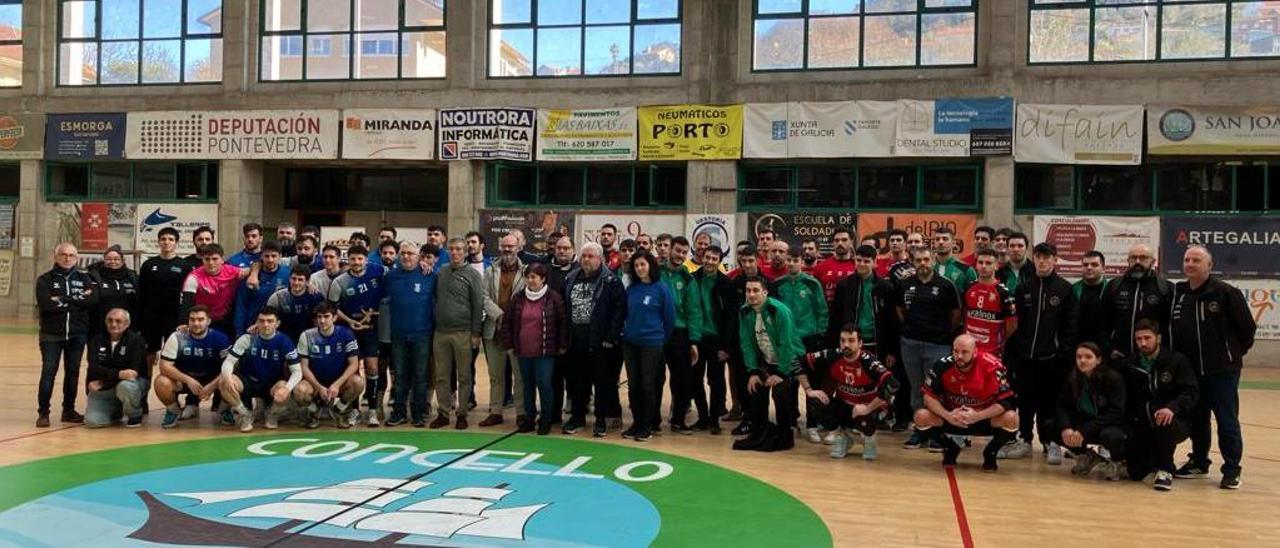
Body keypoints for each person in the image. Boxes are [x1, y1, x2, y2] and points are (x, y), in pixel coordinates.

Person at [1170, 246, 1255, 490]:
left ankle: (1231, 469)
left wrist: (1230, 356)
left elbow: (1246, 330)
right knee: (1198, 419)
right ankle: (1199, 462)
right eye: (1187, 259)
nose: (1190, 264)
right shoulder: (1179, 293)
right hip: (1191, 373)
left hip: (1222, 373)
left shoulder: (1226, 293)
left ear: (1209, 265)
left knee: (1227, 421)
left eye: (1197, 260)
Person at [1001, 243, 1077, 461]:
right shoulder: (1023, 289)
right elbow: (1017, 326)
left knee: (1049, 403)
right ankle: (1024, 440)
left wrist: (1062, 355)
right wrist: (1015, 355)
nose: (1042, 261)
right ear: (1033, 259)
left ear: (1055, 260)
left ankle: (1050, 442)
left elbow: (1070, 327)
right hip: (1025, 358)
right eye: (1038, 257)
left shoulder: (1065, 289)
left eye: (1047, 257)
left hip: (1051, 359)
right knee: (1025, 401)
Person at [914, 335, 1019, 471]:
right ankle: (950, 448)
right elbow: (928, 397)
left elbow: (1007, 402)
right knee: (921, 416)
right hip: (954, 417)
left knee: (1011, 418)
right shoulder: (942, 365)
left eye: (964, 352)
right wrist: (947, 415)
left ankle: (990, 452)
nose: (959, 356)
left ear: (975, 352)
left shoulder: (992, 366)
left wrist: (977, 416)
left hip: (983, 418)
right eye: (955, 351)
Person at [797, 326, 898, 460]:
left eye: (851, 341)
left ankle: (869, 441)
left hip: (867, 409)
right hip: (845, 406)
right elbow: (797, 362)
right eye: (843, 340)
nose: (846, 345)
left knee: (866, 419)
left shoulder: (868, 361)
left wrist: (867, 408)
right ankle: (842, 437)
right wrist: (808, 390)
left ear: (860, 343)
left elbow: (893, 384)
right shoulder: (834, 355)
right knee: (815, 402)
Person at [829, 245, 902, 430]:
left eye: (866, 261)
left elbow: (892, 322)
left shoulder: (885, 287)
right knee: (853, 382)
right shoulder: (844, 285)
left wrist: (892, 350)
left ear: (875, 262)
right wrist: (835, 344)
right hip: (850, 345)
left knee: (877, 382)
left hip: (878, 342)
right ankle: (850, 417)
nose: (862, 264)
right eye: (859, 260)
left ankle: (880, 414)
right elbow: (836, 316)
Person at [895, 248, 961, 449]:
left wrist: (941, 332)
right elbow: (899, 310)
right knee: (917, 389)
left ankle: (937, 431)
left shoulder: (946, 285)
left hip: (938, 345)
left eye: (926, 259)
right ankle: (920, 429)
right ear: (913, 262)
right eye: (918, 260)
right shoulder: (905, 284)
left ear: (932, 261)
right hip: (911, 344)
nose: (922, 263)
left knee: (936, 390)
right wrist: (910, 328)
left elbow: (956, 314)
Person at [1122, 320, 1197, 490]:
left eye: (1147, 338)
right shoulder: (1130, 364)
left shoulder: (1177, 361)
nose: (1143, 343)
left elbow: (1190, 392)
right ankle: (1145, 462)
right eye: (1139, 339)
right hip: (1143, 423)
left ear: (1159, 338)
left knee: (1163, 418)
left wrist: (1172, 407)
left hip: (1174, 422)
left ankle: (1165, 469)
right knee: (1136, 472)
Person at [733, 276, 805, 452]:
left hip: (789, 361)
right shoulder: (744, 311)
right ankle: (760, 431)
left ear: (765, 292)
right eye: (748, 290)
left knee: (781, 394)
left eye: (756, 290)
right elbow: (747, 344)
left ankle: (785, 436)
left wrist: (780, 373)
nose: (751, 294)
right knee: (755, 389)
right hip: (765, 360)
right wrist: (753, 371)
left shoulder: (779, 311)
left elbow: (787, 344)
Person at [499, 263, 567, 435]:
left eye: (534, 277)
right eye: (528, 277)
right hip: (523, 351)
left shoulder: (554, 298)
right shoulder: (518, 298)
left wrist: (562, 345)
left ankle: (546, 419)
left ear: (543, 279)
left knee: (544, 384)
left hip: (545, 352)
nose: (530, 280)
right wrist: (508, 345)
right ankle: (529, 418)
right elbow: (507, 323)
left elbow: (562, 323)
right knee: (526, 386)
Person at [36, 243, 98, 427]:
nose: (67, 258)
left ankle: (68, 410)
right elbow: (46, 304)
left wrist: (62, 299)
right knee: (48, 373)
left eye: (71, 255)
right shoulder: (44, 280)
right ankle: (43, 413)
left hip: (77, 335)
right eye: (63, 254)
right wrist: (79, 300)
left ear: (76, 258)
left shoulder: (85, 278)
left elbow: (93, 300)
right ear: (56, 257)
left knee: (72, 373)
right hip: (51, 335)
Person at [1047, 342, 1128, 481]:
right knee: (1050, 426)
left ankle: (1118, 462)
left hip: (1109, 425)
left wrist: (1084, 430)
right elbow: (1062, 406)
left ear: (1099, 360)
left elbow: (1115, 413)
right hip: (1086, 423)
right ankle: (1087, 456)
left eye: (1088, 357)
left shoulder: (1112, 378)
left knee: (1110, 436)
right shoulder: (1073, 378)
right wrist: (1066, 428)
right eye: (1079, 357)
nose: (1082, 360)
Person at [771, 247, 828, 442]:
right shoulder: (778, 285)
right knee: (790, 381)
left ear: (801, 261)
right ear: (786, 262)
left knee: (812, 382)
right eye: (790, 260)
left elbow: (821, 311)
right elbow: (774, 313)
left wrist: (820, 334)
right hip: (787, 339)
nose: (793, 263)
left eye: (796, 260)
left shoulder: (812, 284)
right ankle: (792, 421)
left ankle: (812, 424)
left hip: (810, 340)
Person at [219, 307, 302, 432]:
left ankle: (272, 413)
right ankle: (244, 414)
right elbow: (228, 362)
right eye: (261, 321)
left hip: (272, 385)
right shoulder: (247, 339)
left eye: (270, 321)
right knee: (224, 382)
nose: (265, 324)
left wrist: (287, 388)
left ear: (277, 323)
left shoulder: (284, 341)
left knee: (284, 388)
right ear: (256, 322)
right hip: (247, 382)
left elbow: (297, 371)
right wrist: (227, 377)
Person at [621, 251, 675, 442]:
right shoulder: (632, 289)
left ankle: (647, 425)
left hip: (651, 344)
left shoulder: (661, 289)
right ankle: (636, 423)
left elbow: (670, 319)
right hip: (630, 342)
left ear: (650, 265)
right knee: (634, 385)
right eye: (636, 266)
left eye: (643, 264)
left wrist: (659, 338)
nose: (640, 268)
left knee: (647, 384)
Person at [384, 242, 439, 427]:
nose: (407, 256)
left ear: (419, 257)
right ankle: (399, 412)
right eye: (403, 253)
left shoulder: (429, 276)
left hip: (422, 334)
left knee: (421, 376)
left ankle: (419, 413)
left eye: (411, 253)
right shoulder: (390, 276)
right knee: (400, 375)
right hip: (398, 334)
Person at [433, 238, 485, 430]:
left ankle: (462, 413)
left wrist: (475, 333)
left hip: (463, 333)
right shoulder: (442, 271)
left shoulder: (473, 275)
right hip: (440, 333)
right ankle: (443, 413)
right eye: (451, 249)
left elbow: (478, 305)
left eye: (458, 249)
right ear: (447, 251)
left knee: (464, 376)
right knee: (442, 376)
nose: (455, 252)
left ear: (465, 252)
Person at [327, 245, 383, 421]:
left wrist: (373, 314)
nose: (356, 262)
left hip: (371, 329)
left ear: (366, 260)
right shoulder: (340, 282)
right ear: (347, 260)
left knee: (372, 367)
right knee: (353, 371)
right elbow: (333, 308)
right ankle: (354, 409)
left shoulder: (377, 270)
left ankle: (373, 410)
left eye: (360, 259)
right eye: (353, 259)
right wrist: (351, 321)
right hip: (349, 331)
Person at [154, 306, 230, 428]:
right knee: (161, 382)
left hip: (212, 380)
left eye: (200, 319)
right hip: (185, 380)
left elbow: (230, 367)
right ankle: (173, 411)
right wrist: (187, 380)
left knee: (231, 380)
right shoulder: (177, 337)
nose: (196, 323)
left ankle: (225, 410)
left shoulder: (220, 338)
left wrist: (212, 386)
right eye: (192, 319)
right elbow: (164, 366)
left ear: (209, 321)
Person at [295, 303, 365, 429]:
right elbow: (303, 366)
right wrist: (319, 387)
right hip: (315, 383)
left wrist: (337, 384)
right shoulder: (306, 335)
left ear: (334, 318)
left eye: (326, 316)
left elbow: (354, 363)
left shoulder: (346, 334)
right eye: (319, 317)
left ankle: (338, 411)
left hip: (339, 382)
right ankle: (314, 412)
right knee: (300, 391)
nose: (322, 320)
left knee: (358, 382)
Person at [480, 234, 526, 428]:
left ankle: (522, 413)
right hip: (494, 329)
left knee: (520, 376)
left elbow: (529, 296)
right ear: (500, 247)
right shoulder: (490, 271)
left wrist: (511, 318)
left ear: (519, 247)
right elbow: (483, 297)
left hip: (518, 332)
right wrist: (499, 315)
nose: (508, 249)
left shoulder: (526, 271)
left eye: (511, 246)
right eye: (504, 246)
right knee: (495, 375)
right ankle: (496, 411)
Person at [660, 236, 704, 435]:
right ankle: (651, 420)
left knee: (683, 380)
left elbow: (694, 311)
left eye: (684, 253)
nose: (680, 255)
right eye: (677, 251)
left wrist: (694, 340)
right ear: (670, 250)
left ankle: (678, 420)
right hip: (657, 332)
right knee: (654, 378)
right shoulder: (656, 272)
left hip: (680, 334)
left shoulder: (688, 278)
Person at [1101, 243, 1172, 361]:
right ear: (1128, 261)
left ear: (1153, 261)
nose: (1138, 261)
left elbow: (1170, 327)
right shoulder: (1114, 286)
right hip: (1119, 357)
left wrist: (1163, 354)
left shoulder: (1166, 288)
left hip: (1153, 359)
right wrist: (1109, 349)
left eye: (1143, 258)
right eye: (1133, 258)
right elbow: (1102, 323)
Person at [692, 245, 735, 436]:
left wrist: (726, 346)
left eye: (714, 259)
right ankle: (702, 417)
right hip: (697, 338)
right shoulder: (692, 279)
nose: (709, 261)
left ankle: (714, 418)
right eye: (707, 257)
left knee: (716, 380)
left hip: (717, 340)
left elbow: (731, 318)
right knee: (695, 379)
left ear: (719, 261)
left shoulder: (727, 283)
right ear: (702, 257)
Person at [83, 309, 149, 428]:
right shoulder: (95, 340)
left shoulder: (136, 341)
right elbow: (94, 369)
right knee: (92, 422)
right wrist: (119, 373)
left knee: (126, 386)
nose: (113, 324)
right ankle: (116, 411)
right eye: (110, 320)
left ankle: (134, 415)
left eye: (118, 321)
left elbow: (132, 374)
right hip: (103, 389)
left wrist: (106, 379)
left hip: (127, 385)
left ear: (127, 323)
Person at [139, 228, 194, 366]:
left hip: (174, 317)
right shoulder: (148, 265)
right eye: (163, 239)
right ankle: (145, 385)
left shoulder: (185, 266)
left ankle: (172, 385)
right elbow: (141, 293)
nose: (166, 242)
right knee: (149, 353)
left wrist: (185, 318)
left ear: (176, 243)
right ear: (158, 242)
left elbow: (189, 295)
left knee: (174, 354)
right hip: (151, 317)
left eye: (170, 239)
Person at [180, 243, 253, 336]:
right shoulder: (194, 277)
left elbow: (254, 267)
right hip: (203, 321)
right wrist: (183, 323)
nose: (211, 263)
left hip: (225, 319)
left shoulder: (232, 271)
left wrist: (254, 275)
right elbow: (186, 302)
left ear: (222, 260)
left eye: (215, 259)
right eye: (207, 259)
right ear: (202, 260)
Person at [962, 248, 1017, 356]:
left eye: (988, 263)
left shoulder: (1004, 293)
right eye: (980, 262)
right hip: (970, 349)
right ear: (976, 265)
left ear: (996, 266)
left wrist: (1000, 343)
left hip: (993, 352)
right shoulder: (969, 288)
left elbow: (1012, 325)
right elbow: (963, 316)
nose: (983, 266)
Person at [234, 241, 290, 335]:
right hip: (251, 327)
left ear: (280, 256)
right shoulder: (251, 276)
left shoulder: (287, 274)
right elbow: (241, 305)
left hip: (278, 328)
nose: (270, 259)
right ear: (261, 256)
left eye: (274, 256)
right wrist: (239, 331)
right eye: (267, 256)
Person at [88, 246, 138, 341]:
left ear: (123, 261)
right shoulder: (94, 276)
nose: (112, 261)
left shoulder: (132, 276)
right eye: (109, 259)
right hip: (101, 326)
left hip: (128, 327)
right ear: (104, 260)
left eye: (116, 259)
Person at [266, 265, 326, 342]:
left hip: (309, 339)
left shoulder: (316, 297)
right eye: (293, 279)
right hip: (284, 339)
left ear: (307, 281)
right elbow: (267, 317)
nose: (296, 283)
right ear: (289, 279)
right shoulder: (278, 297)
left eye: (300, 280)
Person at [1074, 250, 1110, 347]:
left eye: (1094, 264)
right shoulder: (1073, 289)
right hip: (1078, 346)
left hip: (1104, 347)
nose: (1089, 267)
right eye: (1085, 265)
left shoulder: (1111, 289)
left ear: (1103, 268)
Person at [813, 227, 856, 303]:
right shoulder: (820, 268)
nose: (840, 243)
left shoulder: (858, 267)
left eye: (844, 240)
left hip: (852, 313)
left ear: (851, 242)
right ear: (832, 243)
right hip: (828, 313)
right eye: (836, 240)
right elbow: (815, 297)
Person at [932, 227, 975, 292]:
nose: (940, 242)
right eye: (937, 239)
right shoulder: (928, 267)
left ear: (953, 243)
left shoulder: (966, 269)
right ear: (934, 243)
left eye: (945, 239)